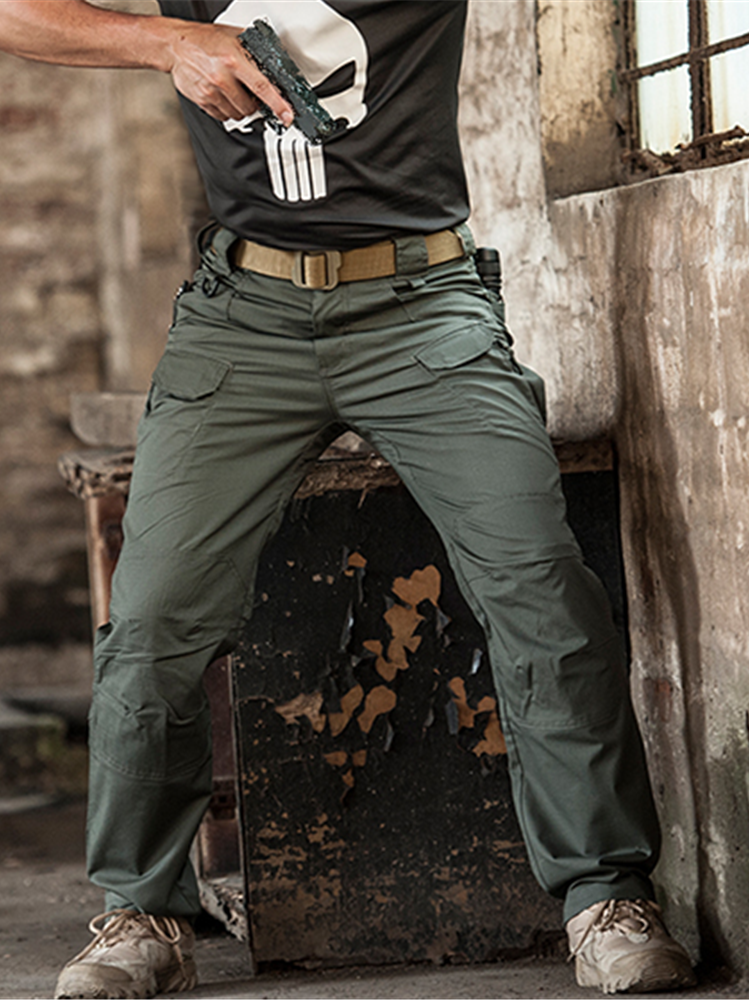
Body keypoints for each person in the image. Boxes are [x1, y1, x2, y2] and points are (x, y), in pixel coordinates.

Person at [0, 2, 697, 998]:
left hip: (422, 304)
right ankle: (140, 911)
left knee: (540, 586)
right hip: (241, 318)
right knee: (152, 619)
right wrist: (168, 40)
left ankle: (605, 895)